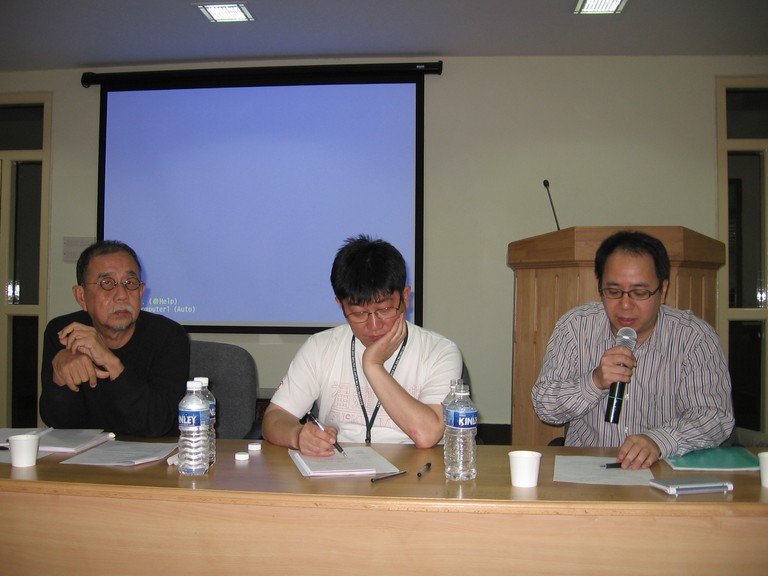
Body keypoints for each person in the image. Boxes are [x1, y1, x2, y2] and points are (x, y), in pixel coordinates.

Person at [532, 230, 734, 470]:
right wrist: (594, 381)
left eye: (639, 293)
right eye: (614, 291)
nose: (625, 305)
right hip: (589, 471)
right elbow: (545, 407)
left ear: (663, 291)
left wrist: (659, 440)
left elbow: (714, 416)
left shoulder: (694, 337)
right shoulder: (575, 327)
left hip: (664, 469)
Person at [262, 235, 463, 456]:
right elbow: (274, 418)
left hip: (417, 476)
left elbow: (427, 434)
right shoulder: (320, 347)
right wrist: (298, 436)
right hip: (339, 474)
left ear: (405, 297)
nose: (374, 325)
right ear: (340, 304)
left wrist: (373, 365)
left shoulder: (440, 351)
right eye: (358, 313)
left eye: (385, 309)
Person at [40, 240, 190, 437]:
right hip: (85, 461)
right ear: (81, 296)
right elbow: (60, 424)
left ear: (141, 293)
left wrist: (110, 361)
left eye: (130, 283)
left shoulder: (168, 336)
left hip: (153, 460)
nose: (122, 295)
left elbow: (157, 423)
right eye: (107, 283)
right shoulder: (63, 333)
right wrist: (60, 381)